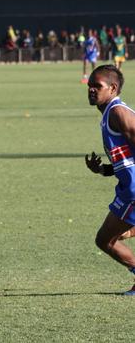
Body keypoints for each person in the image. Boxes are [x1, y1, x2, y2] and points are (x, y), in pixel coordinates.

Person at [84, 65, 135, 295]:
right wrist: (103, 170)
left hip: (133, 191)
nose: (92, 90)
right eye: (90, 86)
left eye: (98, 86)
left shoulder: (118, 113)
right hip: (127, 189)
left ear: (113, 88)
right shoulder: (109, 115)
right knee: (112, 237)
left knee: (106, 240)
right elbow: (127, 160)